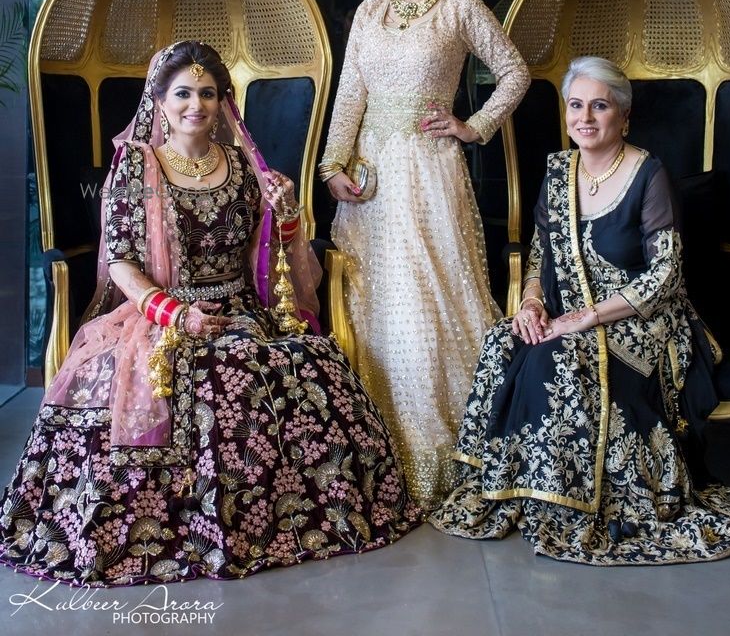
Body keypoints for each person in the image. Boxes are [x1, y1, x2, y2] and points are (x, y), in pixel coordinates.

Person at [0, 41, 418, 586]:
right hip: (158, 315)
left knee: (300, 368)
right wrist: (175, 313)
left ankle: (282, 523)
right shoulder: (138, 166)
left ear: (224, 101)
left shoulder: (244, 166)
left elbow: (273, 258)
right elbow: (122, 262)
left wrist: (286, 214)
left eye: (207, 93)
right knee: (198, 378)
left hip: (243, 310)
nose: (195, 104)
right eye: (183, 93)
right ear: (160, 100)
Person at [431, 56, 730, 563]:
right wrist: (531, 302)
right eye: (577, 105)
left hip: (644, 321)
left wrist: (588, 316)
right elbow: (539, 255)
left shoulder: (648, 174)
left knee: (560, 356)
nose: (586, 118)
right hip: (563, 309)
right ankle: (519, 487)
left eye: (600, 106)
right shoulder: (557, 171)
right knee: (505, 341)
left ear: (623, 116)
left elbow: (665, 276)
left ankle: (571, 500)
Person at [318, 0, 529, 508]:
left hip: (432, 170)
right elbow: (351, 93)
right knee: (372, 300)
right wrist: (333, 166)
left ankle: (451, 450)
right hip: (371, 178)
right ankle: (372, 448)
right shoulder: (369, 13)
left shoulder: (461, 9)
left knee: (432, 293)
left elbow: (514, 72)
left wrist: (473, 125)